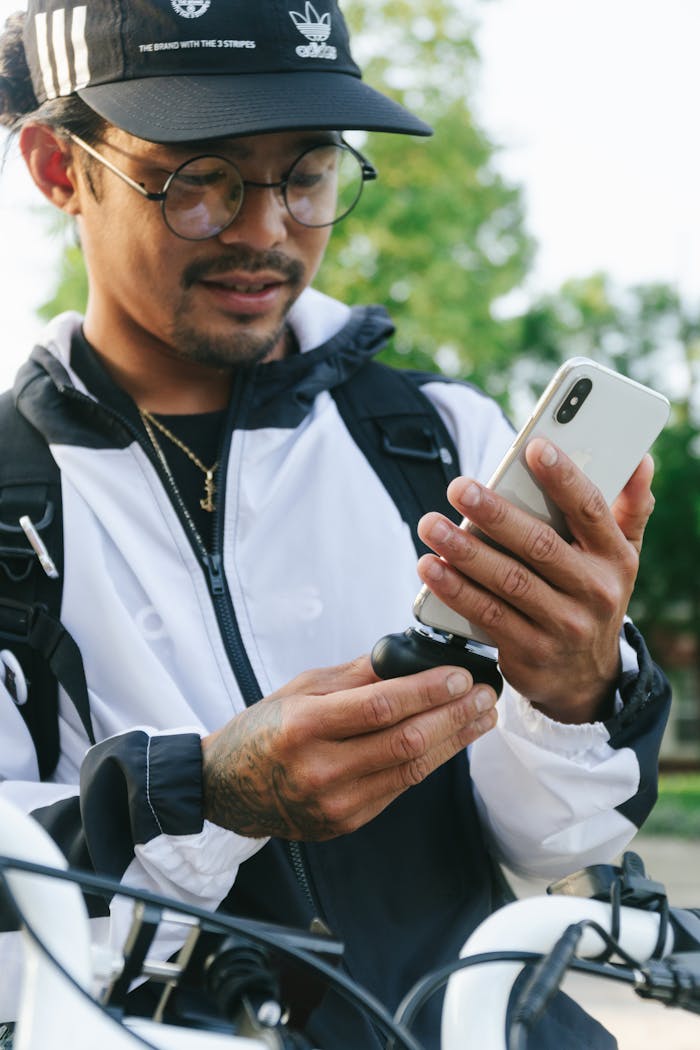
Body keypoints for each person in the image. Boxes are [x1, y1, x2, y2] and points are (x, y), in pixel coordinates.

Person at [0, 2, 671, 1048]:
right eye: (201, 181)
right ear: (56, 166)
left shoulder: (442, 438)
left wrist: (575, 692)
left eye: (306, 175)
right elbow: (12, 932)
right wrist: (211, 794)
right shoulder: (14, 499)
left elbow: (550, 844)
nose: (266, 231)